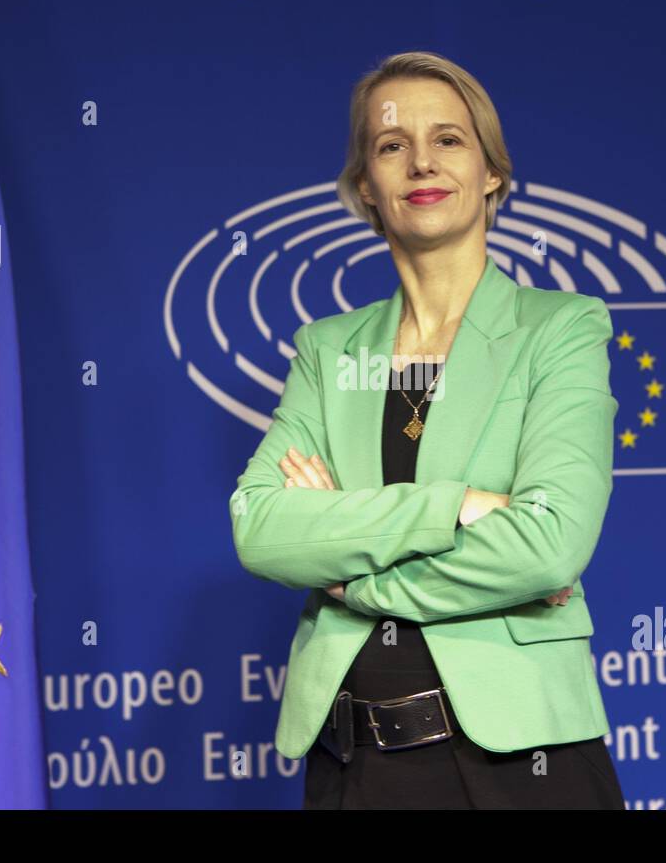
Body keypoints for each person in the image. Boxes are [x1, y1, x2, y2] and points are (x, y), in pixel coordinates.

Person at [229, 51, 624, 808]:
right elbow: (263, 528)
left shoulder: (561, 330)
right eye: (389, 145)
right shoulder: (327, 350)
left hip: (521, 765)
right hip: (354, 767)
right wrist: (453, 506)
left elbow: (548, 546)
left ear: (491, 175)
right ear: (366, 191)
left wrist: (350, 578)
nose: (420, 161)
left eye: (448, 139)